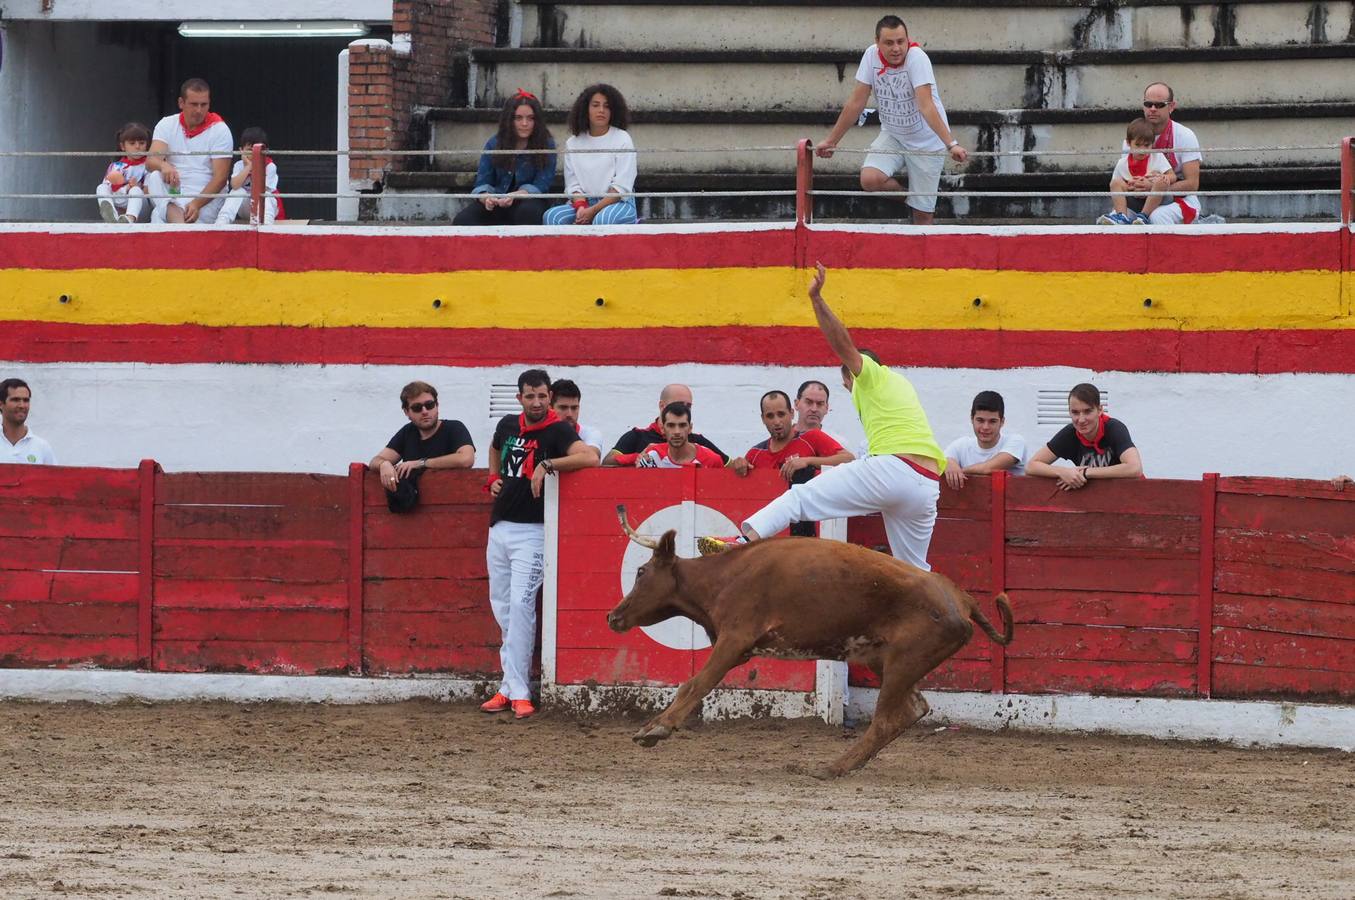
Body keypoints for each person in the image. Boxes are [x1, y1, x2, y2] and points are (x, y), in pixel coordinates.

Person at [711, 264, 946, 572]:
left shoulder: (870, 376)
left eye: (847, 383)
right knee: (914, 572)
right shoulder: (901, 384)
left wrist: (817, 300)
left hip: (894, 469)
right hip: (926, 485)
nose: (849, 388)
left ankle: (742, 542)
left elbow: (842, 345)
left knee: (799, 498)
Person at [482, 369, 598, 719]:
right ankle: (510, 686)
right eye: (530, 396)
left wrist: (548, 464)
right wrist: (492, 477)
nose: (536, 402)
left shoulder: (558, 429)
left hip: (533, 531)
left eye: (542, 397)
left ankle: (518, 691)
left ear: (549, 397)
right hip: (500, 526)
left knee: (520, 604)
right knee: (503, 607)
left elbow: (589, 457)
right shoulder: (507, 424)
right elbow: (494, 447)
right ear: (519, 398)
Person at [816, 15, 968, 225]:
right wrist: (832, 141)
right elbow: (856, 103)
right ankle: (911, 198)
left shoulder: (917, 58)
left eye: (900, 41)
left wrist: (951, 144)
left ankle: (920, 225)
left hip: (927, 142)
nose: (896, 48)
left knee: (923, 218)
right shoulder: (871, 56)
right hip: (893, 134)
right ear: (877, 42)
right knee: (870, 179)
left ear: (907, 40)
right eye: (889, 43)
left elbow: (926, 105)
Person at [745, 390, 853, 535]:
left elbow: (848, 459)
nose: (777, 421)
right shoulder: (755, 454)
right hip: (769, 535)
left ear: (791, 413)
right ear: (763, 419)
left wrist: (808, 460)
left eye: (781, 414)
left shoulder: (812, 438)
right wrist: (738, 465)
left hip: (809, 533)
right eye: (770, 416)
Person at [454, 90, 556, 227]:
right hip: (498, 200)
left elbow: (542, 184)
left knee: (527, 212)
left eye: (530, 118)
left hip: (529, 201)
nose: (525, 123)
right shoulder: (494, 143)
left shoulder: (546, 144)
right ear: (509, 120)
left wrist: (516, 195)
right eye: (518, 118)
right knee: (464, 220)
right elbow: (482, 182)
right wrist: (487, 198)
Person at [543, 83, 638, 226]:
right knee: (552, 216)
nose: (601, 110)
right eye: (595, 105)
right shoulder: (573, 143)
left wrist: (593, 210)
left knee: (603, 220)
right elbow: (573, 185)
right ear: (585, 109)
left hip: (619, 203)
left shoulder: (622, 138)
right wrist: (581, 207)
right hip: (583, 204)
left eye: (607, 106)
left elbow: (621, 187)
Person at [144, 78, 233, 224]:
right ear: (181, 103)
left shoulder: (220, 129)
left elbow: (220, 179)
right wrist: (164, 165)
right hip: (174, 191)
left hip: (204, 198)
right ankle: (181, 223)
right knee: (154, 176)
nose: (199, 110)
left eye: (204, 105)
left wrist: (196, 204)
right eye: (193, 104)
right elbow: (150, 161)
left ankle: (176, 220)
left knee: (157, 216)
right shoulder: (167, 124)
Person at [1026, 383, 1143, 491]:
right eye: (1075, 412)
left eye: (1087, 411)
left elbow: (1134, 468)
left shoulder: (1114, 428)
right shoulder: (1070, 433)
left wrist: (1086, 472)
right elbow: (1031, 466)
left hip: (1133, 496)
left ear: (1100, 410)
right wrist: (1062, 472)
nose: (1081, 420)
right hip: (1097, 499)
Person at [368, 381, 475, 493]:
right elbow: (375, 461)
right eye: (417, 408)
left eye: (429, 405)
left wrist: (420, 463)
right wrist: (384, 464)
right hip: (413, 507)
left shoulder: (454, 428)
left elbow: (466, 459)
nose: (425, 412)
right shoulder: (407, 432)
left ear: (437, 406)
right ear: (407, 412)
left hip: (452, 499)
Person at [1132, 81, 1211, 225]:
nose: (1153, 109)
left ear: (1171, 107)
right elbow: (1128, 177)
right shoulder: (1133, 137)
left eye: (1160, 105)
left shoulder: (1185, 135)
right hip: (1141, 197)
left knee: (1157, 217)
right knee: (1116, 217)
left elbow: (1192, 184)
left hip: (1181, 199)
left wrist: (1155, 188)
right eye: (1148, 104)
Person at [604, 384, 731, 466]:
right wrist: (639, 456)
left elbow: (729, 465)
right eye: (679, 404)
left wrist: (740, 463)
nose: (683, 409)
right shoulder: (638, 436)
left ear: (689, 427)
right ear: (662, 406)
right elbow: (607, 462)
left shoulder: (697, 440)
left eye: (688, 406)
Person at [1096, 118, 1175, 226]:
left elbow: (1172, 176)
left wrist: (1166, 178)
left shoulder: (1158, 157)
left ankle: (1144, 216)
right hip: (1134, 200)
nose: (1142, 150)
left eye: (1147, 145)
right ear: (1128, 143)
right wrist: (1131, 186)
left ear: (1152, 144)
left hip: (1157, 200)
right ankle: (1121, 216)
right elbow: (1116, 187)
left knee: (1161, 182)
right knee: (1115, 183)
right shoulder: (1122, 163)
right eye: (1138, 145)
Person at [943, 391, 1026, 490]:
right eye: (980, 420)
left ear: (1002, 422)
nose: (985, 427)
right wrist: (949, 464)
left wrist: (959, 471)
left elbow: (988, 468)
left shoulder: (1016, 441)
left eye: (992, 421)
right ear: (971, 419)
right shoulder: (961, 444)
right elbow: (944, 459)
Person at [612, 402, 726, 468]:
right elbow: (609, 463)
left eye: (682, 425)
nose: (677, 431)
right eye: (671, 425)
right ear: (662, 428)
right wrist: (637, 458)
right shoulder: (653, 455)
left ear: (690, 428)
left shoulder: (712, 460)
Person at [215, 127, 282, 225]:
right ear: (241, 150)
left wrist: (255, 167)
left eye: (257, 151)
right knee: (237, 191)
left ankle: (267, 225)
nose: (253, 154)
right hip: (246, 208)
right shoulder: (239, 165)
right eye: (250, 150)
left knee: (266, 195)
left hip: (264, 208)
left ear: (265, 151)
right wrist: (248, 167)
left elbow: (262, 189)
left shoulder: (270, 166)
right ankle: (222, 222)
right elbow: (234, 185)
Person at [96, 122, 149, 224]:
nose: (137, 147)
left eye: (142, 143)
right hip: (121, 200)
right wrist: (124, 186)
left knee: (136, 190)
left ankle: (129, 219)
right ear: (123, 146)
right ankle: (112, 216)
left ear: (147, 145)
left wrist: (136, 186)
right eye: (132, 143)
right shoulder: (116, 166)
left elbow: (149, 193)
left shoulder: (148, 165)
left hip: (141, 208)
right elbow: (110, 188)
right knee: (101, 187)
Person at [1, 379, 56, 465]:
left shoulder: (42, 448)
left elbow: (53, 478)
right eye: (15, 400)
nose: (22, 405)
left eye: (26, 400)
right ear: (1, 404)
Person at [550, 378, 604, 462]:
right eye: (563, 408)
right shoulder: (541, 433)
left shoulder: (590, 433)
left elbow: (591, 459)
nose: (569, 414)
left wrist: (547, 465)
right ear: (550, 407)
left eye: (574, 408)